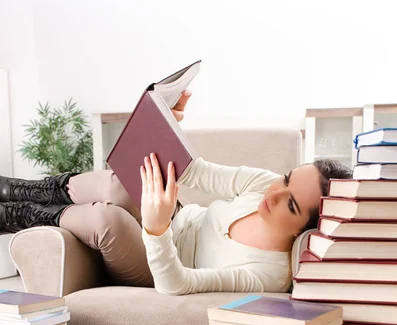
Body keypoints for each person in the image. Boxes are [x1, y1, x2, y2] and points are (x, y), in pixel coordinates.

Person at [0, 91, 352, 295]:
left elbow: (177, 283)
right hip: (176, 216)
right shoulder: (266, 184)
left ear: (303, 231)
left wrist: (155, 228)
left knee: (106, 219)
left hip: (158, 263)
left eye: (289, 204)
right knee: (117, 184)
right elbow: (193, 170)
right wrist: (164, 125)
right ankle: (15, 189)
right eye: (287, 178)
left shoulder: (268, 275)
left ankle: (17, 215)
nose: (275, 193)